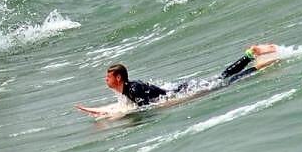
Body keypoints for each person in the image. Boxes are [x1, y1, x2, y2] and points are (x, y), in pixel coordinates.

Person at [105, 45, 277, 107]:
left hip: (186, 90)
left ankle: (257, 64)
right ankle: (249, 55)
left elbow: (152, 107)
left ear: (118, 78)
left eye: (109, 77)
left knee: (227, 80)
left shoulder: (133, 90)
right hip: (183, 88)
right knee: (223, 77)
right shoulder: (129, 89)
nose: (106, 80)